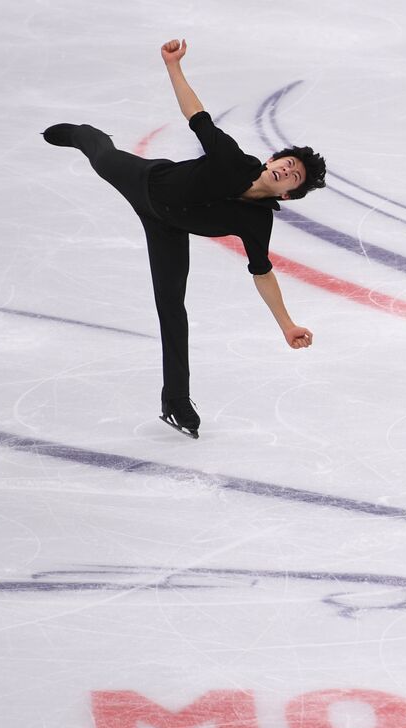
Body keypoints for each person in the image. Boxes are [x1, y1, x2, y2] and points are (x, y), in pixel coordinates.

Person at [43, 39, 325, 439]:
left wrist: (287, 325)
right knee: (103, 157)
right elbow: (196, 114)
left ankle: (175, 399)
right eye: (288, 163)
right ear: (272, 160)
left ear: (288, 195)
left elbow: (262, 273)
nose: (287, 171)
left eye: (295, 176)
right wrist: (173, 65)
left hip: (168, 228)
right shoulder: (230, 158)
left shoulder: (258, 222)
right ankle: (85, 133)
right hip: (147, 184)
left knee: (172, 306)